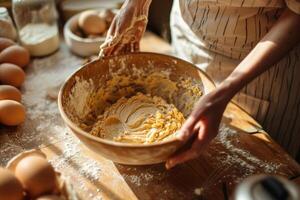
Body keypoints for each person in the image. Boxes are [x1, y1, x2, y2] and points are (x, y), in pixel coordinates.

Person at [99, 0, 300, 168]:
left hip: (255, 70)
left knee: (251, 166)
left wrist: (223, 94)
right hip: (186, 35)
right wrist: (137, 3)